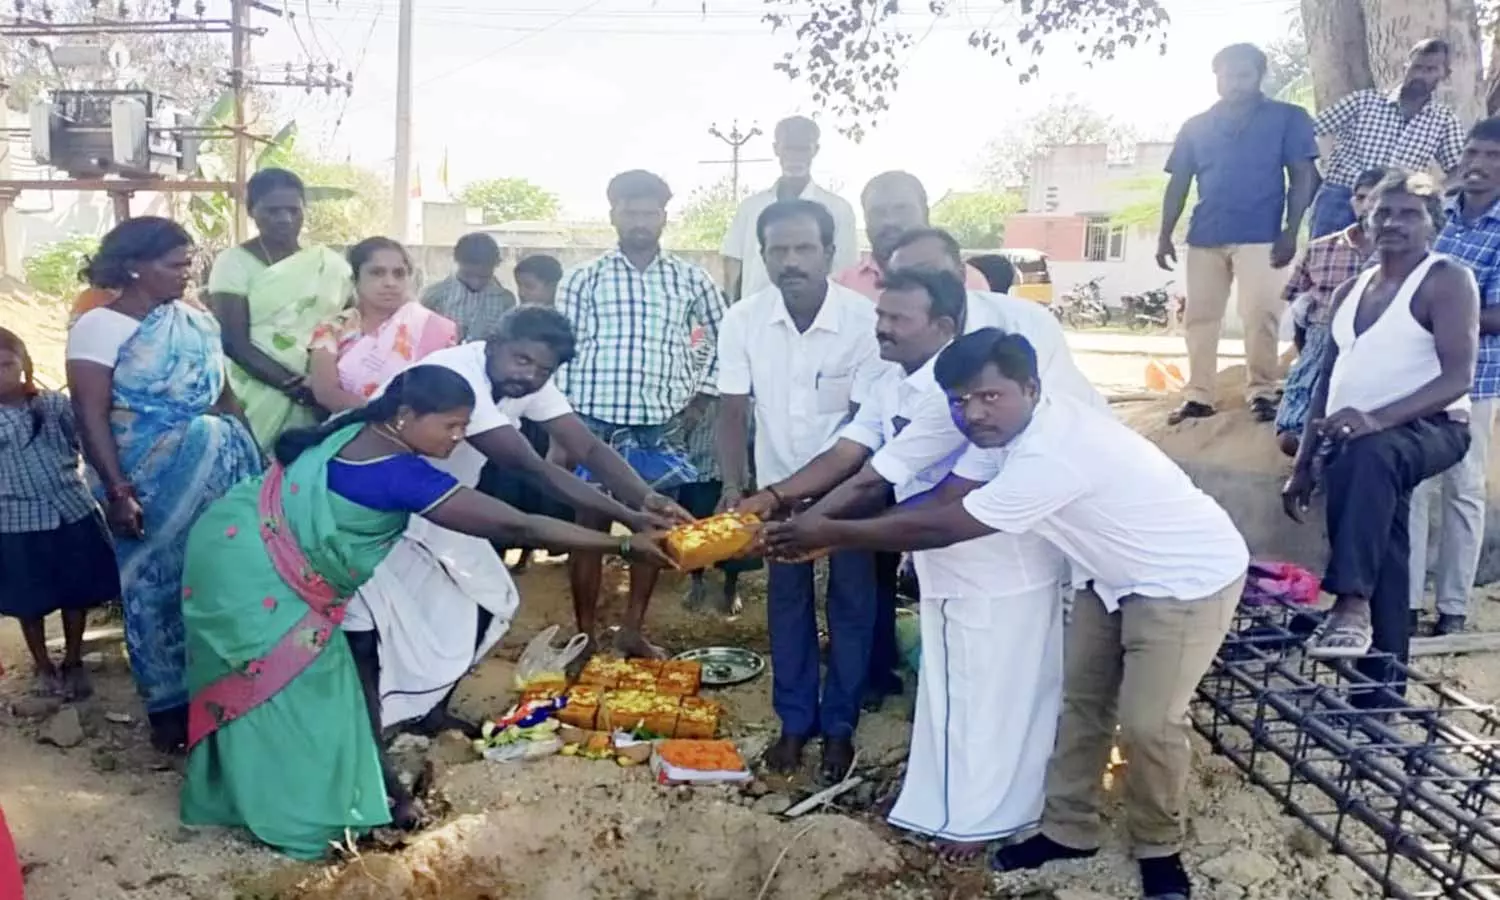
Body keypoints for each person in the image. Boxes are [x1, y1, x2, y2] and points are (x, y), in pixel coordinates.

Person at [764, 328, 1249, 899]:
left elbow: (947, 526)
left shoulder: (1054, 451)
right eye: (959, 401)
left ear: (1030, 387)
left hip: (1182, 578)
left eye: (988, 397)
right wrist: (829, 531)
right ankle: (1070, 830)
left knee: (1148, 723)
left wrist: (833, 532)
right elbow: (944, 497)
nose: (972, 413)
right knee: (1082, 705)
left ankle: (1160, 849)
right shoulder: (1002, 432)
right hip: (1107, 574)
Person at [178, 365, 674, 860]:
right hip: (252, 572)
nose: (459, 439)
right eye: (450, 426)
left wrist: (627, 524)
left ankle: (257, 793)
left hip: (235, 542)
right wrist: (623, 544)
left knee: (280, 686)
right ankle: (308, 817)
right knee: (305, 688)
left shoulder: (358, 428)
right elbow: (518, 526)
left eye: (465, 427)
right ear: (405, 415)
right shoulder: (400, 472)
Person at [746, 269, 1066, 858]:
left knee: (989, 694)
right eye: (880, 316)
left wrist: (813, 528)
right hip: (924, 545)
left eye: (897, 319)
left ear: (942, 326)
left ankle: (971, 821)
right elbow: (851, 452)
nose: (882, 328)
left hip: (972, 551)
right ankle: (950, 812)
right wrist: (777, 504)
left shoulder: (956, 396)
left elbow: (876, 477)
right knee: (955, 691)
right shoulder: (883, 375)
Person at [346, 306, 692, 732]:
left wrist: (648, 498)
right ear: (495, 344)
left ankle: (424, 711)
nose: (528, 376)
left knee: (488, 599)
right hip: (380, 504)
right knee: (377, 621)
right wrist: (629, 522)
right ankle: (379, 726)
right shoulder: (460, 375)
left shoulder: (524, 381)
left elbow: (588, 448)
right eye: (522, 360)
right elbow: (534, 468)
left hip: (439, 506)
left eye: (542, 370)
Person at [66, 217, 263, 752]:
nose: (186, 273)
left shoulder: (197, 322)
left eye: (188, 263)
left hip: (219, 470)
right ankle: (168, 710)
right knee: (154, 587)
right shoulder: (99, 326)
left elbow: (224, 398)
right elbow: (91, 411)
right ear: (135, 265)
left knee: (217, 579)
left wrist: (260, 468)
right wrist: (117, 490)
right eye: (174, 264)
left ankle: (224, 696)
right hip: (142, 476)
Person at [1282, 174, 1476, 703]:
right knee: (1387, 547)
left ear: (1434, 223)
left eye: (1409, 213)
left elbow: (1456, 379)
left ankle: (1348, 602)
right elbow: (1327, 378)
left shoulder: (1446, 280)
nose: (1392, 223)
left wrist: (1377, 419)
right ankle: (1378, 693)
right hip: (1368, 442)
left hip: (1434, 429)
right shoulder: (1350, 290)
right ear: (1367, 221)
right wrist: (1303, 461)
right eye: (1383, 213)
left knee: (1367, 454)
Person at [716, 198, 885, 782]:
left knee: (852, 605)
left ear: (829, 253)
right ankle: (794, 721)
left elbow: (862, 429)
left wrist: (825, 503)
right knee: (785, 603)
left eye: (804, 248)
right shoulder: (742, 320)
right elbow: (733, 409)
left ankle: (838, 727)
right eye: (778, 250)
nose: (791, 260)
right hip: (771, 490)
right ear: (762, 255)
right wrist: (735, 488)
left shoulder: (866, 322)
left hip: (849, 492)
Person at [553, 170, 726, 658]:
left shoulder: (691, 278)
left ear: (663, 218)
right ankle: (586, 632)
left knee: (655, 527)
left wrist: (701, 395)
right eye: (630, 211)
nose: (640, 220)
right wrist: (562, 422)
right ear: (613, 215)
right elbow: (561, 349)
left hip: (659, 422)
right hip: (591, 422)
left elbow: (724, 335)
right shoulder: (584, 278)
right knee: (587, 530)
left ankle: (632, 630)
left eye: (649, 211)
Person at [1158, 43, 1320, 425]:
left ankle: (1262, 390)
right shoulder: (1195, 126)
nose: (1235, 83)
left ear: (1259, 77)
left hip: (1262, 235)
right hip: (1205, 235)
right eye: (1228, 75)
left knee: (1261, 313)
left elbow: (1303, 176)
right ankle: (1199, 395)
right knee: (1199, 316)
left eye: (1244, 75)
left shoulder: (1288, 118)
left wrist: (1290, 232)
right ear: (1217, 78)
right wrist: (1165, 234)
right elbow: (1179, 183)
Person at [1409, 119, 1500, 637]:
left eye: (1492, 155)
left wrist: (1433, 314)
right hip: (1416, 371)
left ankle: (1453, 610)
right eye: (1472, 152)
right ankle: (1403, 604)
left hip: (1477, 377)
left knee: (1463, 490)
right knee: (1415, 486)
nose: (1478, 164)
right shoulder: (1438, 215)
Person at [0, 328, 120, 700]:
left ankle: (72, 659)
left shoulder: (52, 405)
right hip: (15, 521)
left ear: (24, 365)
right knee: (29, 600)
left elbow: (87, 438)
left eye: (7, 364)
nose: (2, 373)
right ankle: (42, 665)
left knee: (76, 592)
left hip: (72, 510)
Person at [206, 168, 352, 449]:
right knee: (253, 475)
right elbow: (234, 342)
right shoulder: (233, 262)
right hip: (256, 389)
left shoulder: (327, 265)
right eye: (272, 211)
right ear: (252, 212)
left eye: (293, 210)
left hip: (320, 389)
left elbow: (347, 323)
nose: (284, 219)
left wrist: (325, 390)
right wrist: (299, 390)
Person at [1274, 167, 1385, 457]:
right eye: (1362, 198)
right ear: (1352, 201)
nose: (1369, 206)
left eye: (1378, 198)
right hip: (1321, 345)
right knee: (1290, 435)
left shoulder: (1404, 251)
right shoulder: (1320, 248)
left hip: (1376, 351)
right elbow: (1297, 310)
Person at [1310, 39, 1466, 239]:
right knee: (1325, 261)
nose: (1420, 75)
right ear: (1405, 67)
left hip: (1394, 208)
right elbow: (1309, 132)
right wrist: (1313, 173)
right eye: (1417, 67)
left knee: (1386, 265)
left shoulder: (1444, 120)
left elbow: (1460, 170)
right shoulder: (1363, 101)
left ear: (1445, 74)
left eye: (1430, 69)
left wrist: (1431, 192)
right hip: (1341, 197)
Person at [306, 237, 457, 413]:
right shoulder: (332, 329)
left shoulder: (432, 327)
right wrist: (384, 417)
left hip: (419, 432)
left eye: (399, 274)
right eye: (377, 273)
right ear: (355, 278)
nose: (390, 283)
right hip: (350, 429)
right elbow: (327, 393)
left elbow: (443, 393)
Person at [722, 116, 858, 300]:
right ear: (776, 149)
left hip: (816, 320)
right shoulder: (750, 208)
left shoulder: (839, 210)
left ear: (815, 150)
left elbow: (844, 274)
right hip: (755, 320)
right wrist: (733, 314)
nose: (795, 158)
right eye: (789, 149)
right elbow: (733, 267)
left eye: (803, 150)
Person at [832, 171, 989, 299]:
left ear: (925, 213)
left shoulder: (967, 282)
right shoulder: (841, 287)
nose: (889, 221)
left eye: (902, 210)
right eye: (877, 212)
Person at [420, 232, 518, 341]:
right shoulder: (435, 295)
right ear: (457, 262)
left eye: (484, 276)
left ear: (495, 266)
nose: (476, 282)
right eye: (468, 274)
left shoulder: (505, 300)